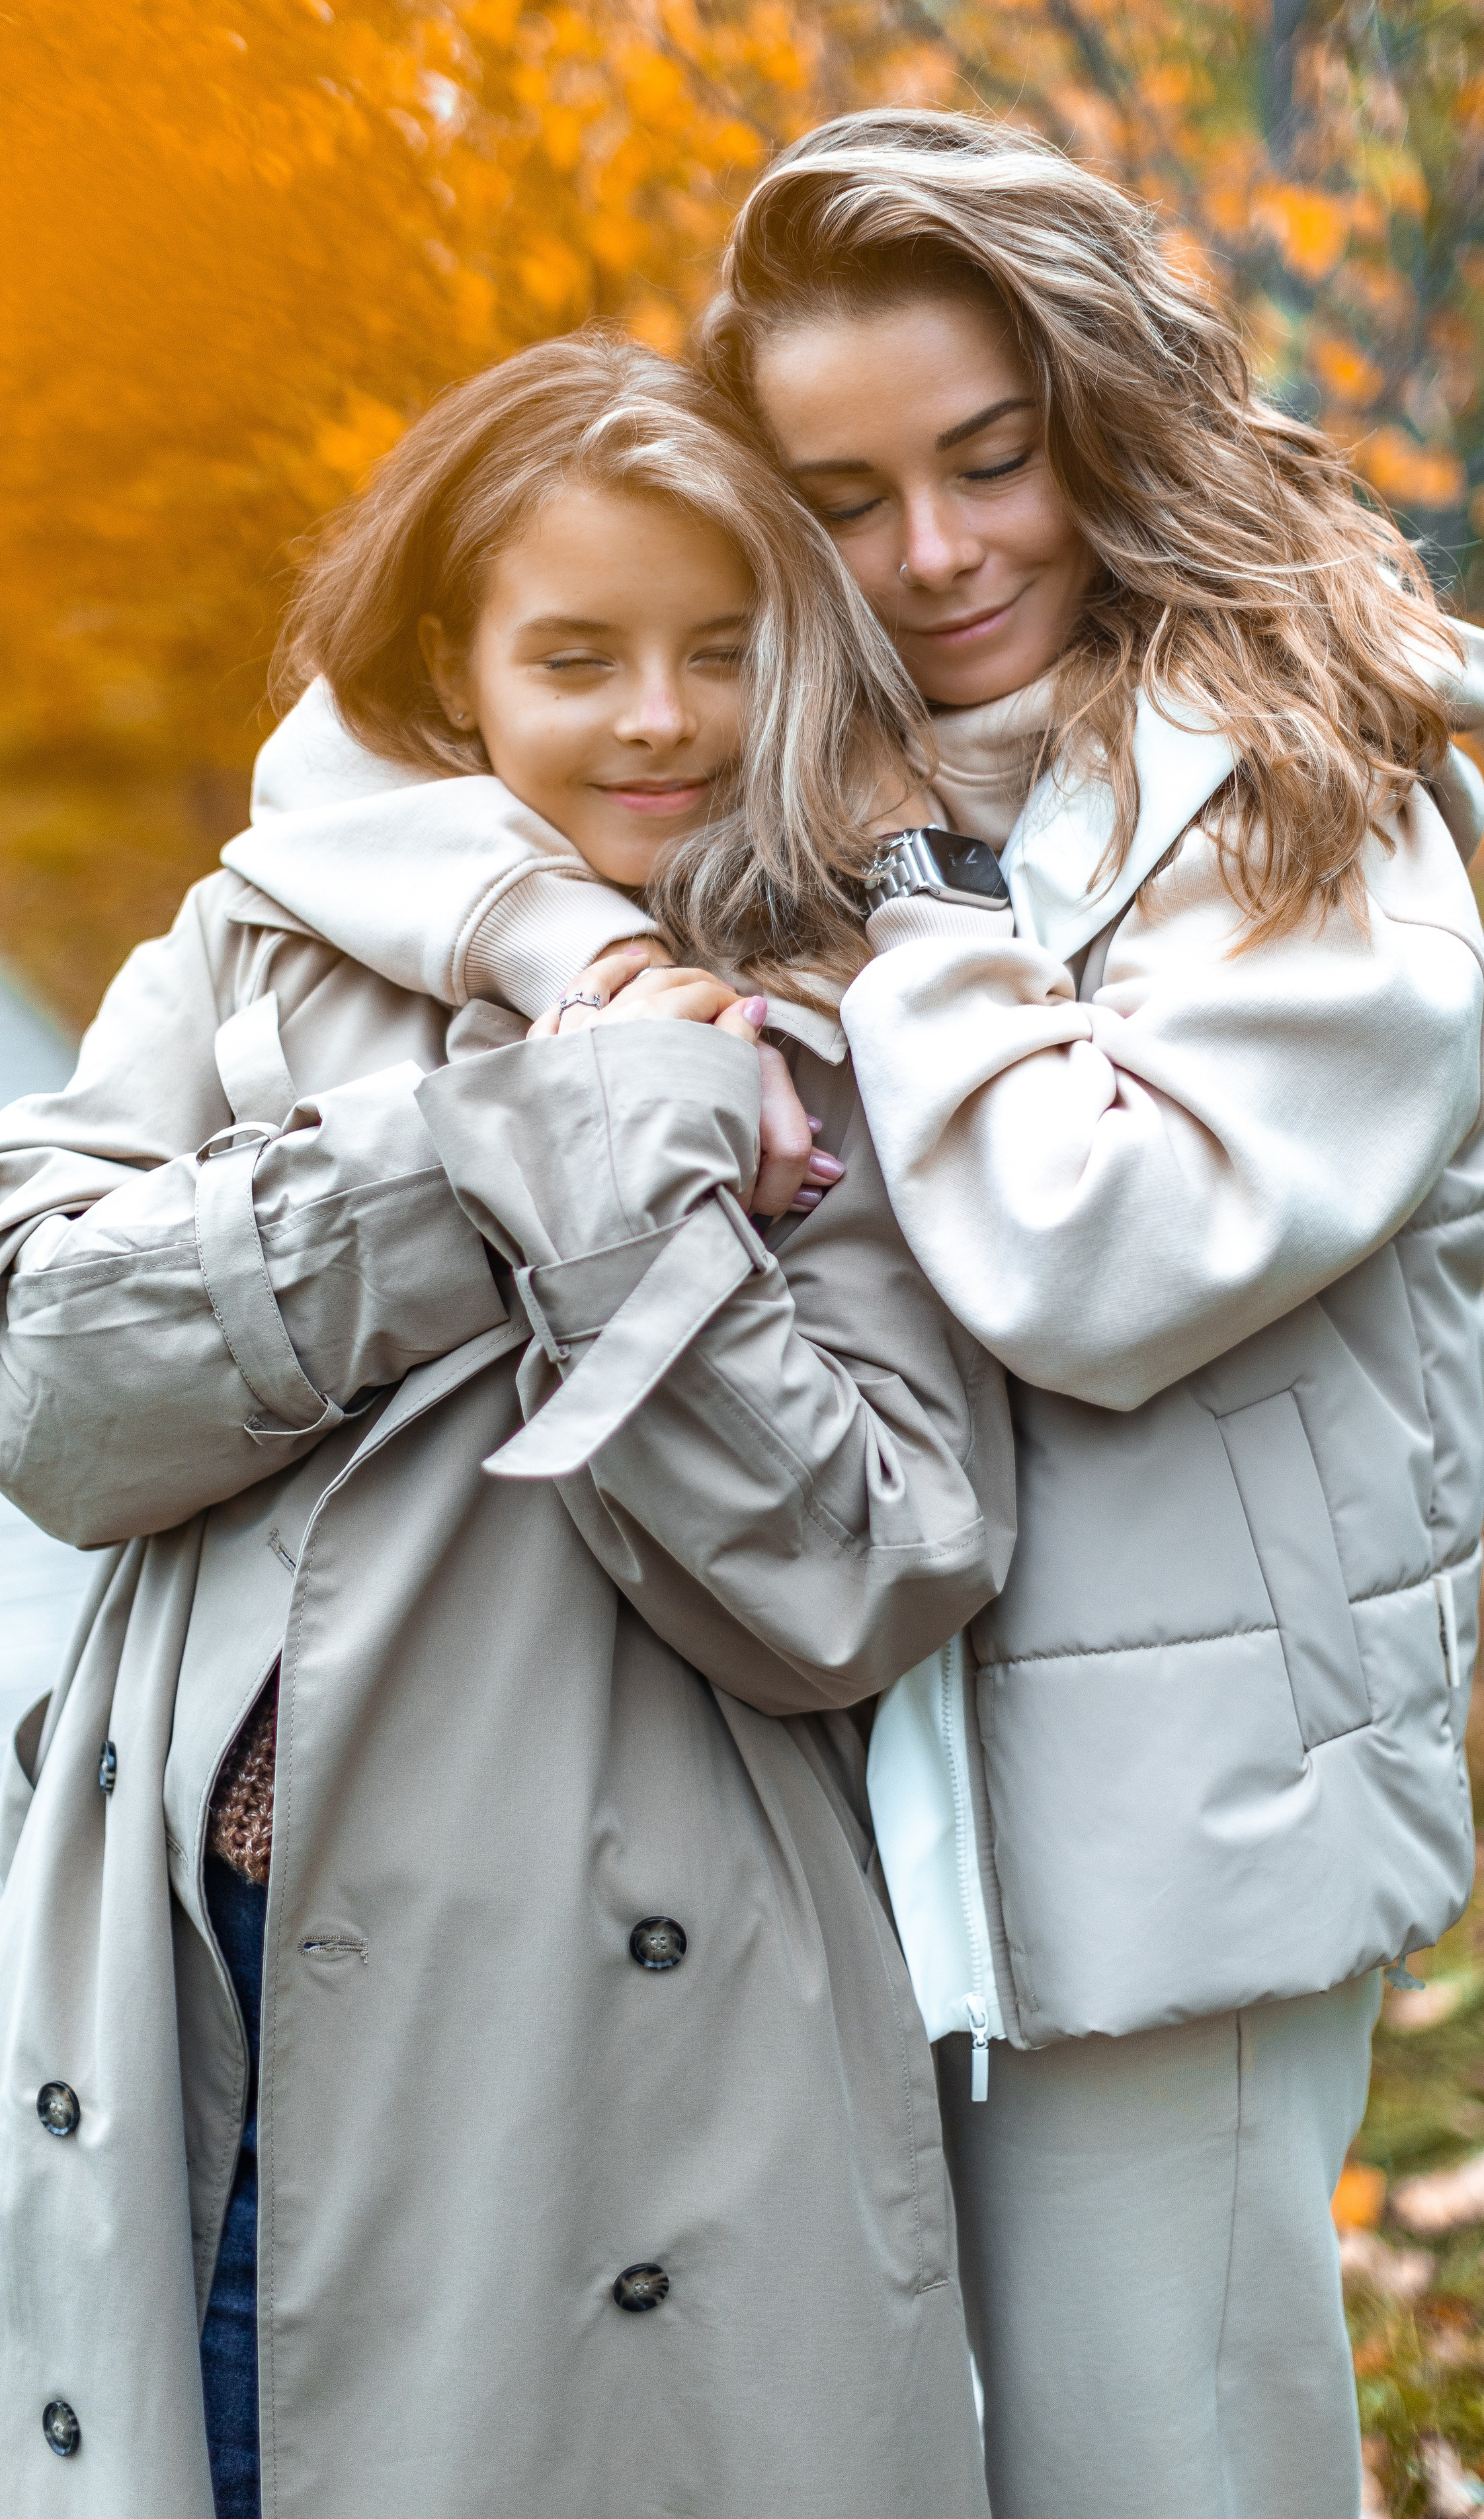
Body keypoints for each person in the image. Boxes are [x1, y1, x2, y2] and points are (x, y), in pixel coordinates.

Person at [0, 335, 1011, 2518]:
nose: (655, 716)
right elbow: (53, 1398)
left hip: (615, 2044)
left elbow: (867, 1572)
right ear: (457, 681)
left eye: (719, 651)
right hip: (208, 1992)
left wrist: (629, 1175)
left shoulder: (862, 1015)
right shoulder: (248, 950)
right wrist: (498, 1149)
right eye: (578, 653)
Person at [694, 110, 1484, 2519]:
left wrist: (908, 904)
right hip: (846, 1814)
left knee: (1163, 2471)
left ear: (1103, 416)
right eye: (842, 498)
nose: (934, 556)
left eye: (991, 458)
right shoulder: (775, 769)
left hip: (1181, 1854)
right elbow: (381, 747)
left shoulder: (1308, 807)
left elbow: (1100, 1255)